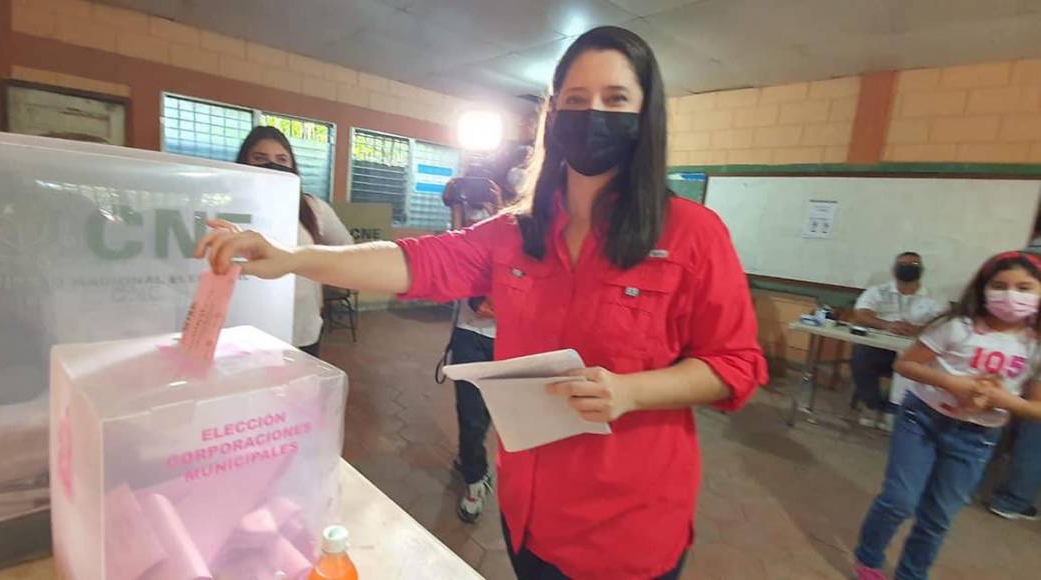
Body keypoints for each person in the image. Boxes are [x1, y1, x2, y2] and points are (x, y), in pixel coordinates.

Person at [197, 26, 767, 579]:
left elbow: (736, 365)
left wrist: (631, 391)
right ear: (553, 117)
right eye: (576, 99)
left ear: (645, 117)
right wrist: (293, 257)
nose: (593, 113)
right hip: (528, 513)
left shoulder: (691, 234)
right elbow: (417, 262)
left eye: (615, 99)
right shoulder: (517, 232)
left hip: (626, 530)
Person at [853, 251, 1041, 580]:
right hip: (922, 421)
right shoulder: (956, 326)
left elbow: (1036, 408)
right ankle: (868, 557)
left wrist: (1002, 399)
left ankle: (912, 574)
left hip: (977, 437)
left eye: (1024, 288)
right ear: (983, 288)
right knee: (899, 500)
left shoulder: (1035, 345)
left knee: (938, 517)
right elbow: (905, 364)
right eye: (1000, 285)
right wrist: (953, 383)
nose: (1011, 295)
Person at [439, 97, 540, 524]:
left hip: (512, 338)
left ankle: (490, 467)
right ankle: (474, 476)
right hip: (469, 333)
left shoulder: (536, 222)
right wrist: (460, 212)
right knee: (469, 413)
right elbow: (453, 262)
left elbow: (532, 272)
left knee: (504, 414)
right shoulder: (474, 221)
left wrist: (502, 213)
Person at [235, 126, 353, 357]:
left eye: (281, 159)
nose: (272, 165)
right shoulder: (231, 206)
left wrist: (320, 270)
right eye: (260, 158)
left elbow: (346, 247)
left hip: (301, 325)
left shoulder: (312, 208)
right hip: (246, 326)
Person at [851, 252, 944, 424]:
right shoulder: (878, 291)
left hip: (915, 350)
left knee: (922, 364)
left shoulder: (935, 296)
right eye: (903, 265)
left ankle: (900, 411)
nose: (908, 268)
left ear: (921, 270)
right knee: (861, 356)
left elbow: (943, 324)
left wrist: (918, 329)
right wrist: (886, 325)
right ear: (894, 270)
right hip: (881, 347)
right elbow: (861, 314)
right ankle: (873, 406)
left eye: (914, 265)